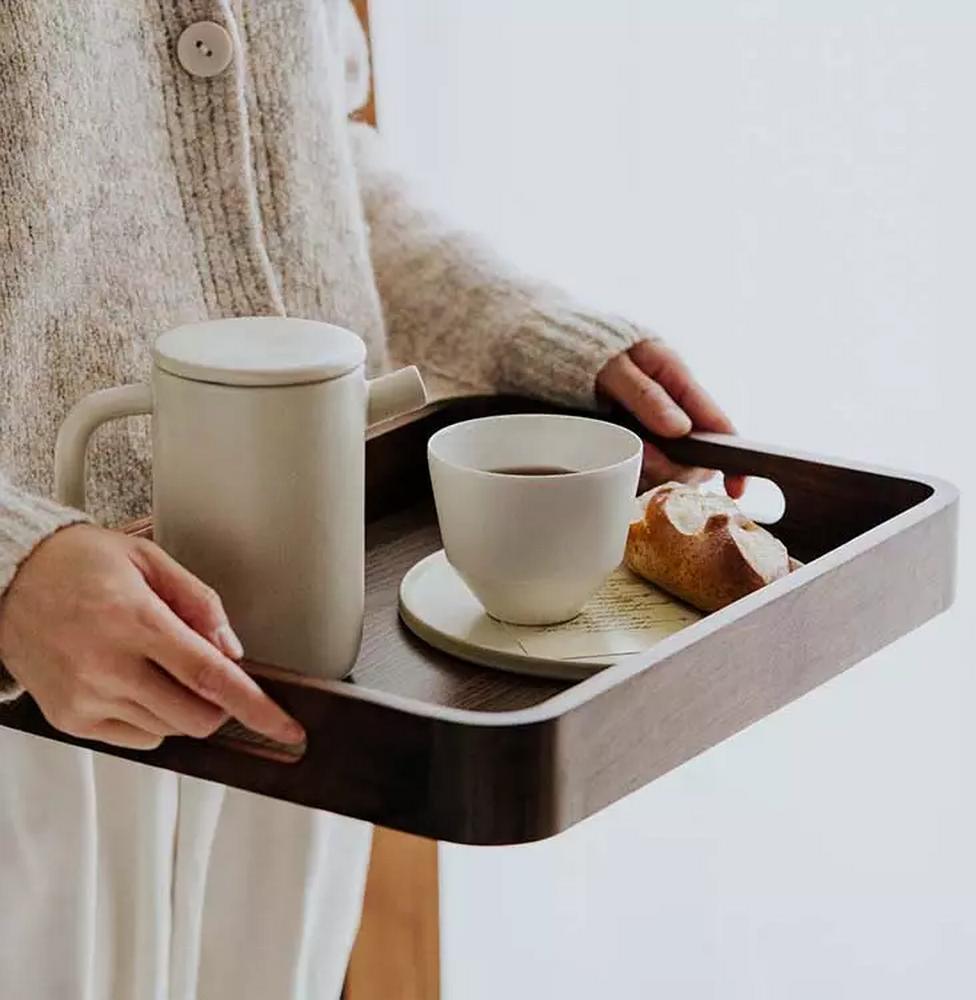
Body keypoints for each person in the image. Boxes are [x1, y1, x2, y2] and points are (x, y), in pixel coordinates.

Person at [0, 3, 742, 997]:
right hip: (34, 704)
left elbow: (317, 148)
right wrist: (11, 564)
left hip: (293, 660)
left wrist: (523, 329)